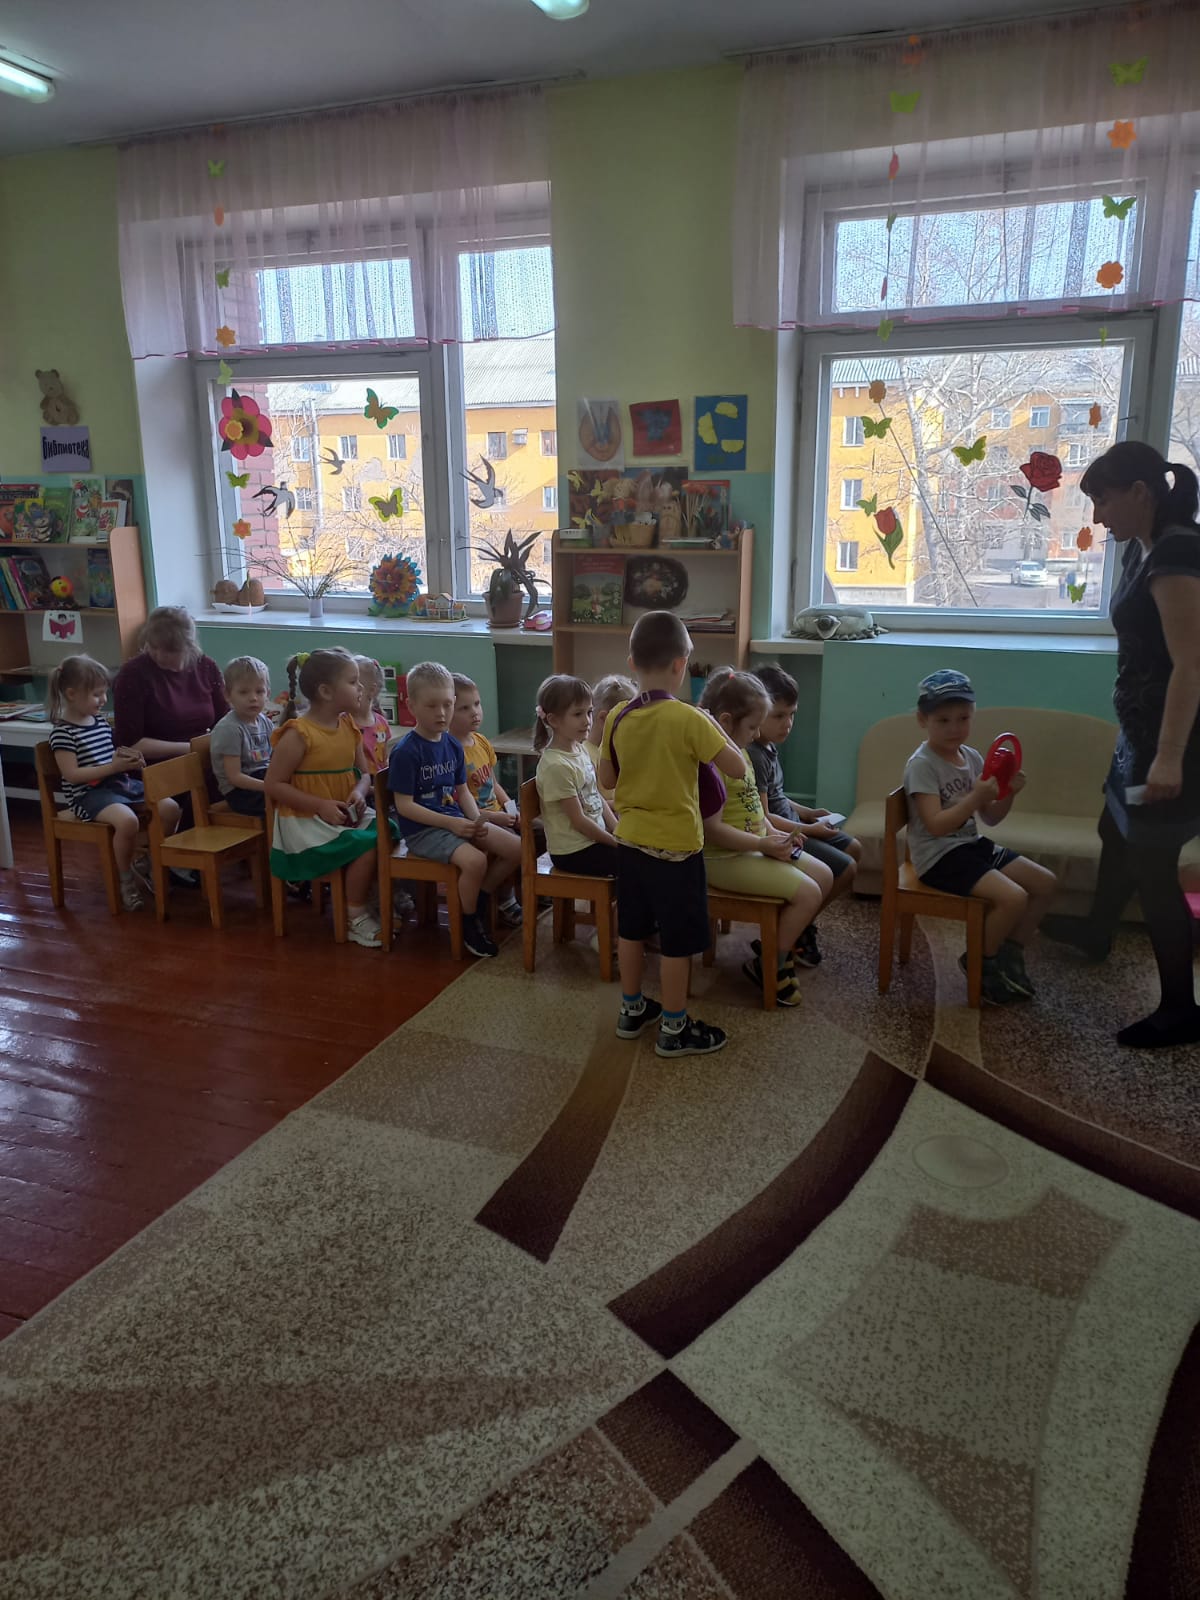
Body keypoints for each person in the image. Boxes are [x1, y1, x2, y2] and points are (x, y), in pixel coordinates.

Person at [1042, 442, 1200, 1048]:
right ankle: (1097, 931)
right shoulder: (1144, 545)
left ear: (1140, 492)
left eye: (1103, 501)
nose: (1098, 515)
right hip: (1141, 733)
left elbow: (1190, 665)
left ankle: (1181, 1009)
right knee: (1114, 827)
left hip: (1176, 742)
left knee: (1154, 868)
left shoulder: (1180, 552)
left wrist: (1169, 757)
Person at [598, 611, 746, 1057]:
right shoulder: (688, 719)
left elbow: (607, 779)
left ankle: (631, 1010)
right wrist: (713, 726)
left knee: (632, 930)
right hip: (677, 852)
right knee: (677, 943)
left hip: (629, 843)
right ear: (682, 665)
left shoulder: (617, 716)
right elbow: (737, 768)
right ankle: (675, 1028)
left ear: (632, 662)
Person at [904, 669, 1057, 1005]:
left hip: (969, 846)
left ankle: (1009, 953)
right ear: (922, 720)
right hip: (938, 857)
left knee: (1045, 883)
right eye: (943, 720)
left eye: (963, 718)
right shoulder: (922, 765)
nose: (954, 728)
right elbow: (936, 827)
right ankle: (981, 963)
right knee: (1013, 898)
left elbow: (991, 817)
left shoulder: (972, 757)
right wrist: (974, 797)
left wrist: (1009, 792)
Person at [698, 668, 830, 1007]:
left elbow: (754, 807)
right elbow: (712, 829)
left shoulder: (739, 749)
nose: (757, 734)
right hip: (723, 859)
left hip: (751, 847)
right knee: (808, 893)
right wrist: (761, 843)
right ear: (725, 721)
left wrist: (775, 834)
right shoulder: (710, 763)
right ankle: (771, 963)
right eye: (752, 727)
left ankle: (778, 946)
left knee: (825, 875)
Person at [388, 661, 522, 960]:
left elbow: (462, 792)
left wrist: (477, 822)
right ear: (412, 705)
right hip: (423, 831)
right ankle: (468, 922)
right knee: (475, 861)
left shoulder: (451, 745)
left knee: (517, 848)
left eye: (447, 704)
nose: (441, 713)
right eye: (431, 705)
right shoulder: (407, 751)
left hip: (455, 820)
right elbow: (404, 806)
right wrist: (453, 825)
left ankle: (480, 896)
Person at [264, 648, 385, 949]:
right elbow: (273, 785)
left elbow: (365, 773)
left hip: (341, 815)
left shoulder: (349, 726)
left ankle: (370, 900)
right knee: (367, 843)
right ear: (326, 692)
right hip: (304, 822)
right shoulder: (299, 733)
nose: (360, 687)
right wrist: (320, 806)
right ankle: (354, 914)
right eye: (353, 682)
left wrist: (358, 792)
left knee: (387, 831)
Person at [749, 663, 861, 967]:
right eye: (778, 716)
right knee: (846, 869)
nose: (787, 724)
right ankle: (795, 928)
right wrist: (810, 830)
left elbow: (778, 796)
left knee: (854, 848)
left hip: (797, 825)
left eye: (792, 714)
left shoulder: (769, 746)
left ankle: (799, 924)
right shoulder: (754, 755)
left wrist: (810, 813)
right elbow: (765, 816)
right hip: (783, 834)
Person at [47, 655, 180, 911]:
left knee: (171, 808)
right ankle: (126, 879)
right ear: (72, 694)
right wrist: (114, 767)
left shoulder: (99, 722)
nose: (103, 699)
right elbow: (72, 775)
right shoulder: (63, 733)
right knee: (127, 821)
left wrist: (129, 759)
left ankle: (149, 862)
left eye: (104, 693)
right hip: (88, 794)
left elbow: (111, 755)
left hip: (117, 785)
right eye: (96, 694)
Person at [112, 606, 229, 768]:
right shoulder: (132, 674)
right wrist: (192, 748)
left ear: (188, 647)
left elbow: (225, 721)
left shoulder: (206, 666)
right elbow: (130, 744)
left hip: (205, 759)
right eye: (153, 647)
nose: (159, 656)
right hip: (156, 768)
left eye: (169, 651)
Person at [450, 672, 521, 927]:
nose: (475, 713)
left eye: (477, 704)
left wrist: (510, 808)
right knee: (517, 845)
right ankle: (490, 895)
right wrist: (496, 817)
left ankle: (521, 891)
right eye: (464, 708)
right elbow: (458, 802)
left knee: (534, 830)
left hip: (497, 813)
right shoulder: (450, 750)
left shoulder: (480, 741)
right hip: (475, 820)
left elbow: (494, 783)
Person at [534, 674, 620, 877]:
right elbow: (579, 821)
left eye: (589, 712)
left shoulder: (580, 749)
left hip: (591, 841)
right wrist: (615, 842)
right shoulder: (556, 766)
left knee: (638, 855)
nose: (587, 721)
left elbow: (596, 797)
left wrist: (618, 830)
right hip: (572, 851)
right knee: (634, 863)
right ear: (553, 720)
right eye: (578, 714)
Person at [209, 656, 273, 818]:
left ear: (268, 693)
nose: (253, 698)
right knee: (287, 802)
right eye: (244, 692)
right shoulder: (229, 729)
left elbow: (275, 757)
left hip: (262, 778)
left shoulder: (265, 722)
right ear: (228, 695)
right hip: (240, 792)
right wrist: (271, 787)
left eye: (259, 691)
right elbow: (235, 777)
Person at [584, 672, 636, 806]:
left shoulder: (611, 749)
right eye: (627, 722)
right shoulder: (585, 757)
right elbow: (593, 805)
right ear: (604, 719)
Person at [351, 656, 393, 776]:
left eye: (354, 684)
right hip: (355, 785)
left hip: (378, 783)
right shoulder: (343, 722)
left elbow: (384, 759)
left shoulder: (381, 723)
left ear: (372, 690)